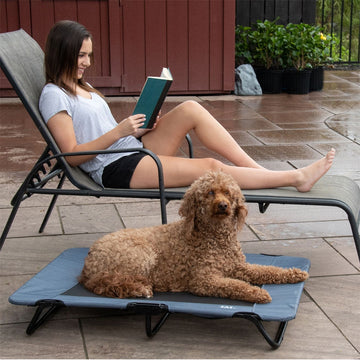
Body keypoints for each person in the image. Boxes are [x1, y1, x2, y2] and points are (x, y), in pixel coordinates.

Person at [39, 20, 335, 192]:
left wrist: (139, 129)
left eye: (89, 55)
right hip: (116, 168)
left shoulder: (82, 87)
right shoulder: (54, 94)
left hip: (131, 149)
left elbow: (103, 130)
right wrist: (119, 132)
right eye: (81, 55)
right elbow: (72, 155)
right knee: (209, 167)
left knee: (191, 108)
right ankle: (296, 178)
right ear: (62, 53)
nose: (87, 63)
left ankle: (259, 173)